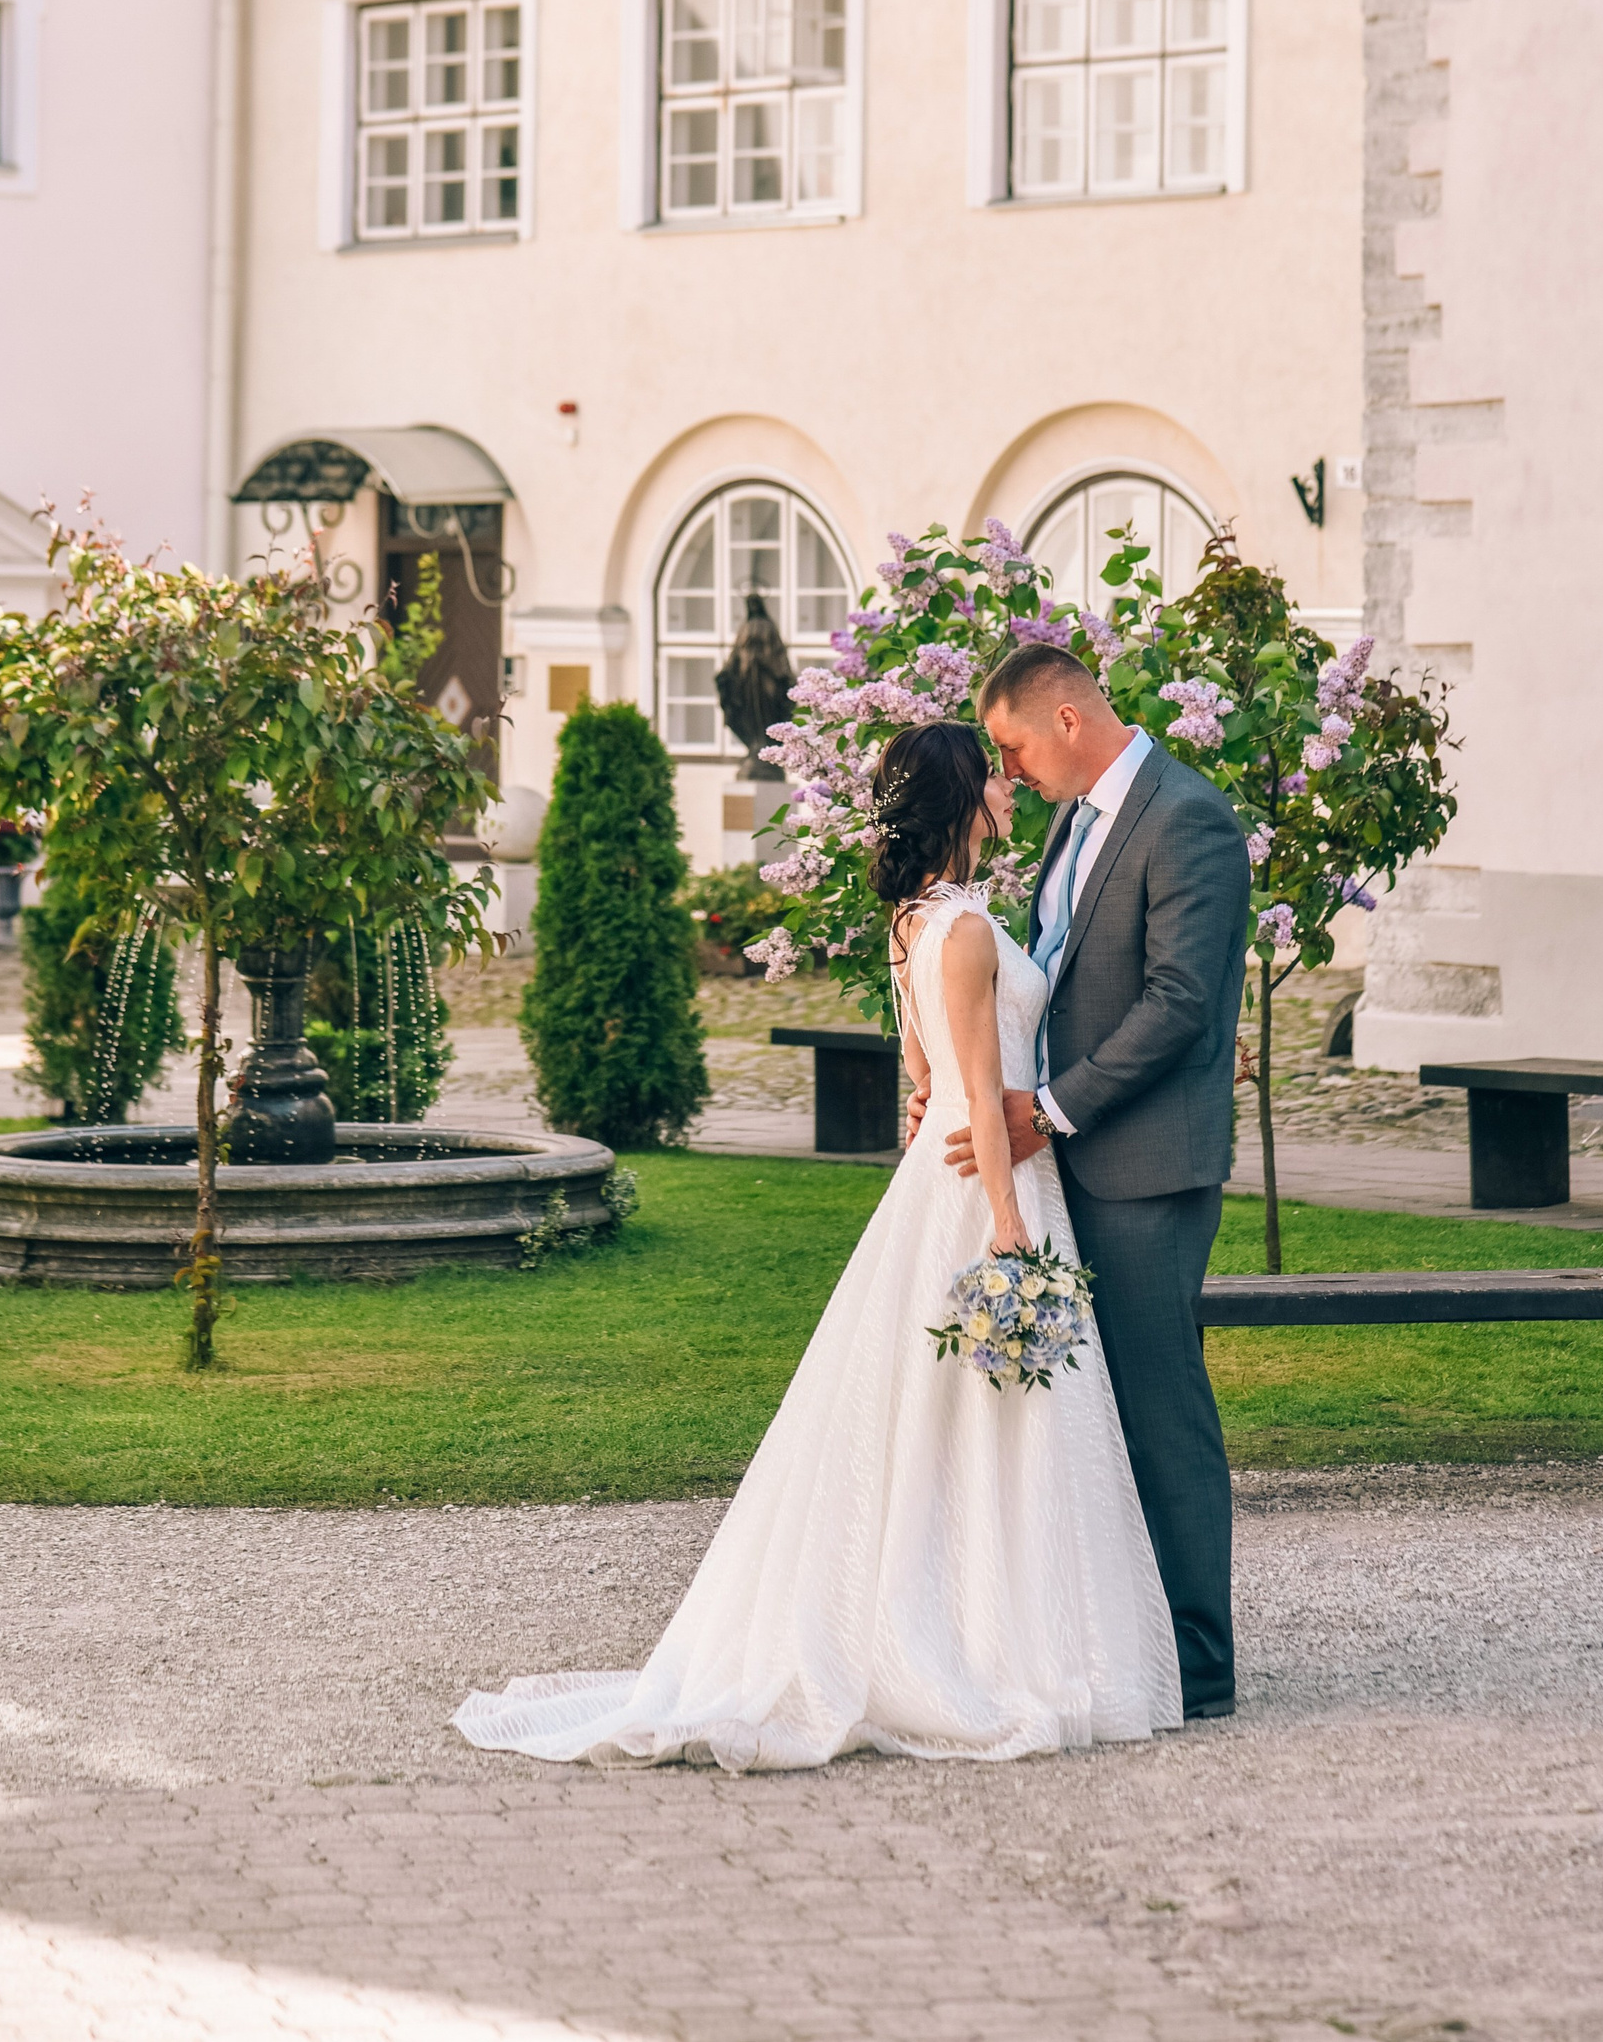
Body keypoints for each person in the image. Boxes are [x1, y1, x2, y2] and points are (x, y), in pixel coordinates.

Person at [452, 718, 1179, 1772]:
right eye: (993, 777)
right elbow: (981, 1093)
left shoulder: (911, 920)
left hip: (937, 1170)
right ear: (960, 799)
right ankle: (997, 1639)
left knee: (934, 1414)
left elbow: (922, 1076)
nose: (1010, 789)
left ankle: (954, 1614)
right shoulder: (968, 929)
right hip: (987, 1180)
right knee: (992, 1413)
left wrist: (945, 1109)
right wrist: (1011, 1229)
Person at [913, 641, 1248, 1722]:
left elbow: (1180, 1000)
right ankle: (1117, 1646)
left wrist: (1047, 1110)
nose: (1006, 773)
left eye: (1011, 746)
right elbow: (1045, 985)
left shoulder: (1186, 817)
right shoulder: (1072, 821)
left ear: (1066, 718)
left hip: (1144, 1165)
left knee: (1158, 1409)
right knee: (1081, 1419)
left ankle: (1199, 1667)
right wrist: (957, 1090)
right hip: (1056, 1161)